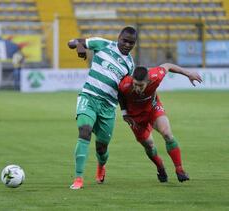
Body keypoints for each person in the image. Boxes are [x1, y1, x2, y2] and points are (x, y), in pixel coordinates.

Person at [67, 26, 137, 189]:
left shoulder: (130, 65)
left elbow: (123, 91)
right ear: (118, 37)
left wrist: (125, 112)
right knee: (84, 131)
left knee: (102, 146)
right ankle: (78, 178)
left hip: (108, 107)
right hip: (89, 97)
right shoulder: (103, 44)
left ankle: (101, 165)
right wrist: (80, 47)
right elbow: (72, 42)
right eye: (124, 40)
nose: (127, 44)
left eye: (131, 43)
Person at [118, 63, 202, 182]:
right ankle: (160, 167)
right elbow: (119, 94)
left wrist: (188, 73)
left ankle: (179, 170)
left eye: (141, 85)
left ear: (148, 81)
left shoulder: (155, 76)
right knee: (149, 145)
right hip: (135, 117)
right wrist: (124, 113)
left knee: (167, 134)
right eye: (135, 84)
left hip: (153, 109)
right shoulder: (125, 84)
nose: (137, 88)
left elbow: (168, 65)